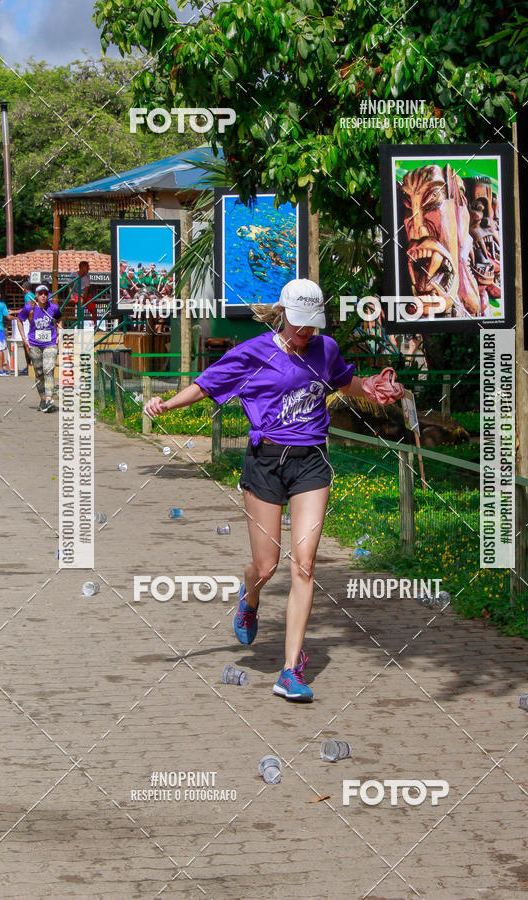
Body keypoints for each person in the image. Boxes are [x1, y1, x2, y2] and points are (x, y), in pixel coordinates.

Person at [144, 279, 405, 702]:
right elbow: (206, 385)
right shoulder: (254, 352)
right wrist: (165, 405)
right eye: (299, 324)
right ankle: (250, 597)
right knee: (266, 567)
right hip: (265, 462)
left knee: (304, 564)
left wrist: (371, 387)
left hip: (311, 463)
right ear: (282, 313)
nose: (306, 333)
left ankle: (289, 670)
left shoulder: (326, 349)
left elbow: (344, 382)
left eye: (312, 325)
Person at [17, 284, 62, 411]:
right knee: (39, 372)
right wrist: (24, 339)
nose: (43, 296)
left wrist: (59, 334)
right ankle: (43, 399)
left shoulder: (53, 307)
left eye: (45, 293)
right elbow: (19, 320)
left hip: (50, 344)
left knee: (49, 369)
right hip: (34, 344)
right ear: (36, 295)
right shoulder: (29, 308)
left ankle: (49, 399)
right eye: (40, 293)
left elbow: (59, 319)